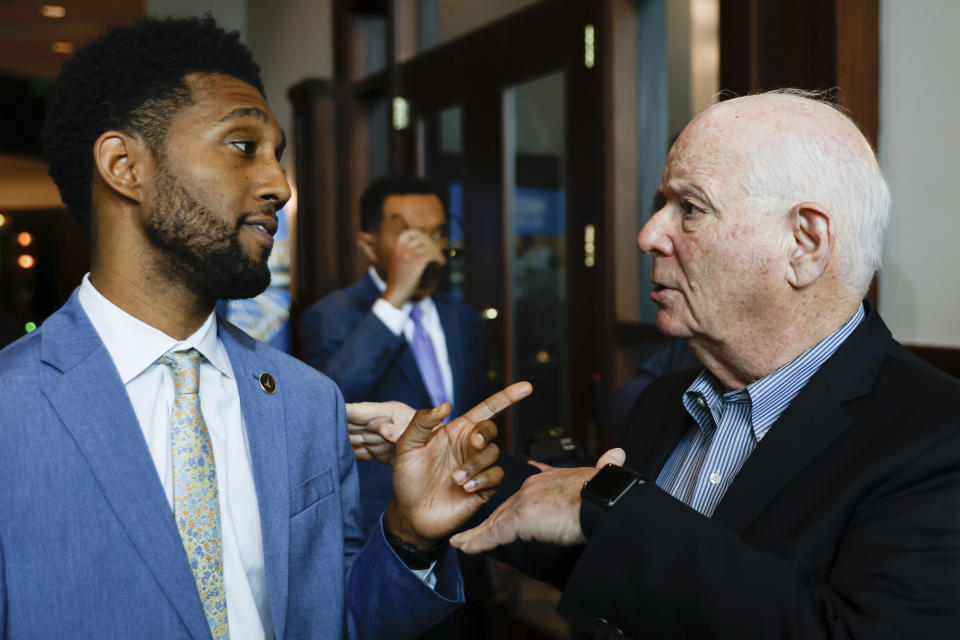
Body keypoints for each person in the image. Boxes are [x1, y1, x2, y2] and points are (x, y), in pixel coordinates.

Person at [350, 91, 960, 638]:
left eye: (689, 208)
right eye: (660, 204)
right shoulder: (667, 399)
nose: (647, 234)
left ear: (804, 243)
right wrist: (465, 472)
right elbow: (620, 564)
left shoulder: (935, 438)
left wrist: (610, 507)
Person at [0, 15, 531, 639]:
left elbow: (340, 622)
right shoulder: (14, 409)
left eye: (277, 155)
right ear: (125, 165)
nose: (278, 184)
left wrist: (410, 540)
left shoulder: (306, 402)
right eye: (243, 146)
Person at [298, 175, 486, 535]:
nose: (431, 253)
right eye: (411, 238)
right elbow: (330, 401)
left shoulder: (463, 319)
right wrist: (395, 299)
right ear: (368, 245)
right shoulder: (330, 316)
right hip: (380, 520)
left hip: (464, 514)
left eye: (437, 235)